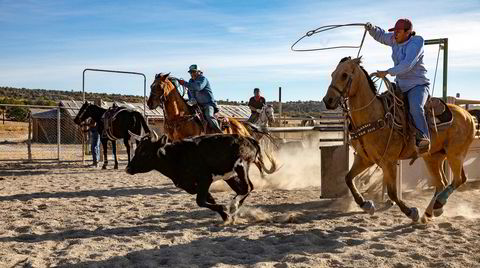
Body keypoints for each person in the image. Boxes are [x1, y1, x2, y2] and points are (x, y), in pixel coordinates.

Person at [365, 19, 430, 154]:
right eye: (394, 31)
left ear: (408, 32)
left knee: (416, 108)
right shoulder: (395, 39)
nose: (395, 34)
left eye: (398, 32)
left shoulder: (416, 42)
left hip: (417, 85)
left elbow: (407, 64)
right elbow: (381, 36)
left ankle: (424, 138)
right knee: (383, 105)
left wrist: (388, 72)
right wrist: (371, 28)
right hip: (400, 85)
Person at [178, 64, 223, 133]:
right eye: (191, 72)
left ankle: (219, 133)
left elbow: (198, 87)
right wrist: (191, 100)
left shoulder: (203, 79)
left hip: (208, 104)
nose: (192, 74)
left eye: (194, 72)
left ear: (199, 72)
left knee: (209, 116)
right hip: (198, 105)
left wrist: (184, 83)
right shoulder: (191, 81)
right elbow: (191, 93)